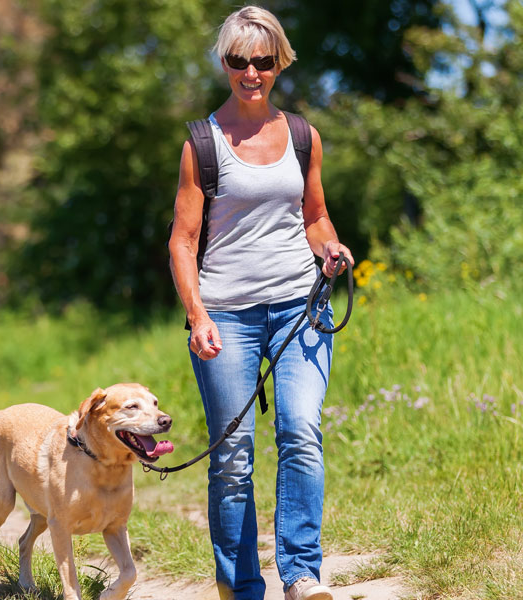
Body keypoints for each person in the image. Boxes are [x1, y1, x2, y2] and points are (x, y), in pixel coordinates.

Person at [167, 6, 354, 600]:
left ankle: (302, 575)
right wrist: (197, 316)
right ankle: (241, 586)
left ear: (279, 63)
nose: (251, 71)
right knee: (234, 457)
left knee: (301, 430)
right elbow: (183, 240)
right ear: (225, 63)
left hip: (300, 307)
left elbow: (315, 217)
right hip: (226, 315)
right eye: (239, 60)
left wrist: (332, 249)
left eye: (263, 60)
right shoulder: (203, 142)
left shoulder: (302, 135)